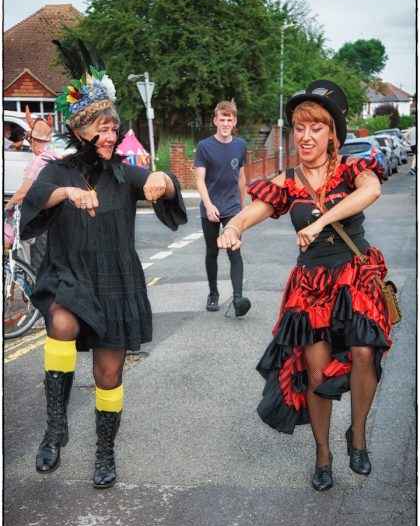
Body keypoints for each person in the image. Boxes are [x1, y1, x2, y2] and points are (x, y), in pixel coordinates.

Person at [19, 41, 187, 488]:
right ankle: (55, 429)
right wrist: (68, 193)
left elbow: (163, 187)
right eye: (101, 128)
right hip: (71, 274)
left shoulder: (123, 172)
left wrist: (163, 180)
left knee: (108, 375)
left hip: (116, 282)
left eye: (114, 127)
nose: (110, 136)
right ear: (79, 131)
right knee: (60, 321)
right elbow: (36, 201)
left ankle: (105, 452)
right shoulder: (60, 169)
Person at [217, 80, 393, 492]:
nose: (306, 136)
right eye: (300, 128)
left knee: (364, 350)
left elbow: (372, 190)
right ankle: (322, 453)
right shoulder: (287, 181)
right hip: (311, 288)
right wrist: (232, 226)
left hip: (354, 276)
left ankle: (358, 435)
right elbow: (250, 213)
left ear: (332, 132)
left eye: (316, 127)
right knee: (316, 372)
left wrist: (319, 222)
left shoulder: (353, 171)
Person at [195, 100, 251, 316]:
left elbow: (241, 176)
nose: (226, 123)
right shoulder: (204, 147)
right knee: (212, 252)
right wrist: (208, 206)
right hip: (210, 207)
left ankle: (238, 299)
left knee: (234, 250)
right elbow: (200, 180)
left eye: (230, 119)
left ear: (234, 121)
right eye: (222, 119)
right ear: (215, 121)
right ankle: (213, 294)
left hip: (232, 208)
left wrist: (244, 206)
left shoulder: (240, 145)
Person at [6, 107, 66, 271]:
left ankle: (38, 291)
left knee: (39, 262)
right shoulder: (55, 155)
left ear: (31, 140)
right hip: (60, 215)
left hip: (43, 215)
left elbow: (23, 193)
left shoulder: (39, 160)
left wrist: (7, 208)